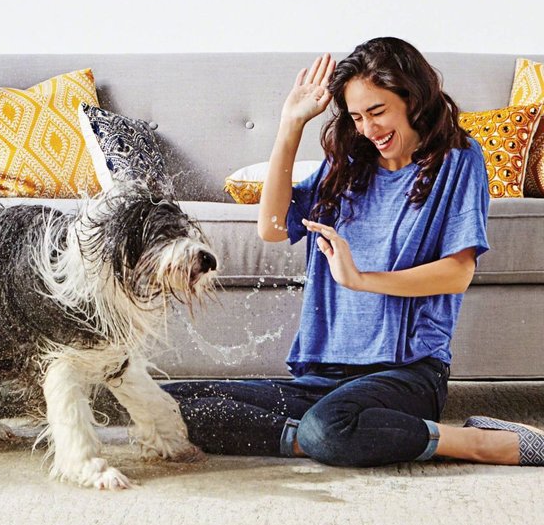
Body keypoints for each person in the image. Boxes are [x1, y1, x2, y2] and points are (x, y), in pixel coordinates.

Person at [163, 37, 544, 467]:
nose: (367, 129)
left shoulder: (458, 159)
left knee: (328, 425)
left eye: (378, 112)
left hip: (407, 374)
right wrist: (291, 124)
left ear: (413, 98)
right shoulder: (346, 164)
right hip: (323, 376)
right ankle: (319, 436)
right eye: (358, 117)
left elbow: (457, 272)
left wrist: (361, 280)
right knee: (165, 404)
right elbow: (270, 228)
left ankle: (477, 441)